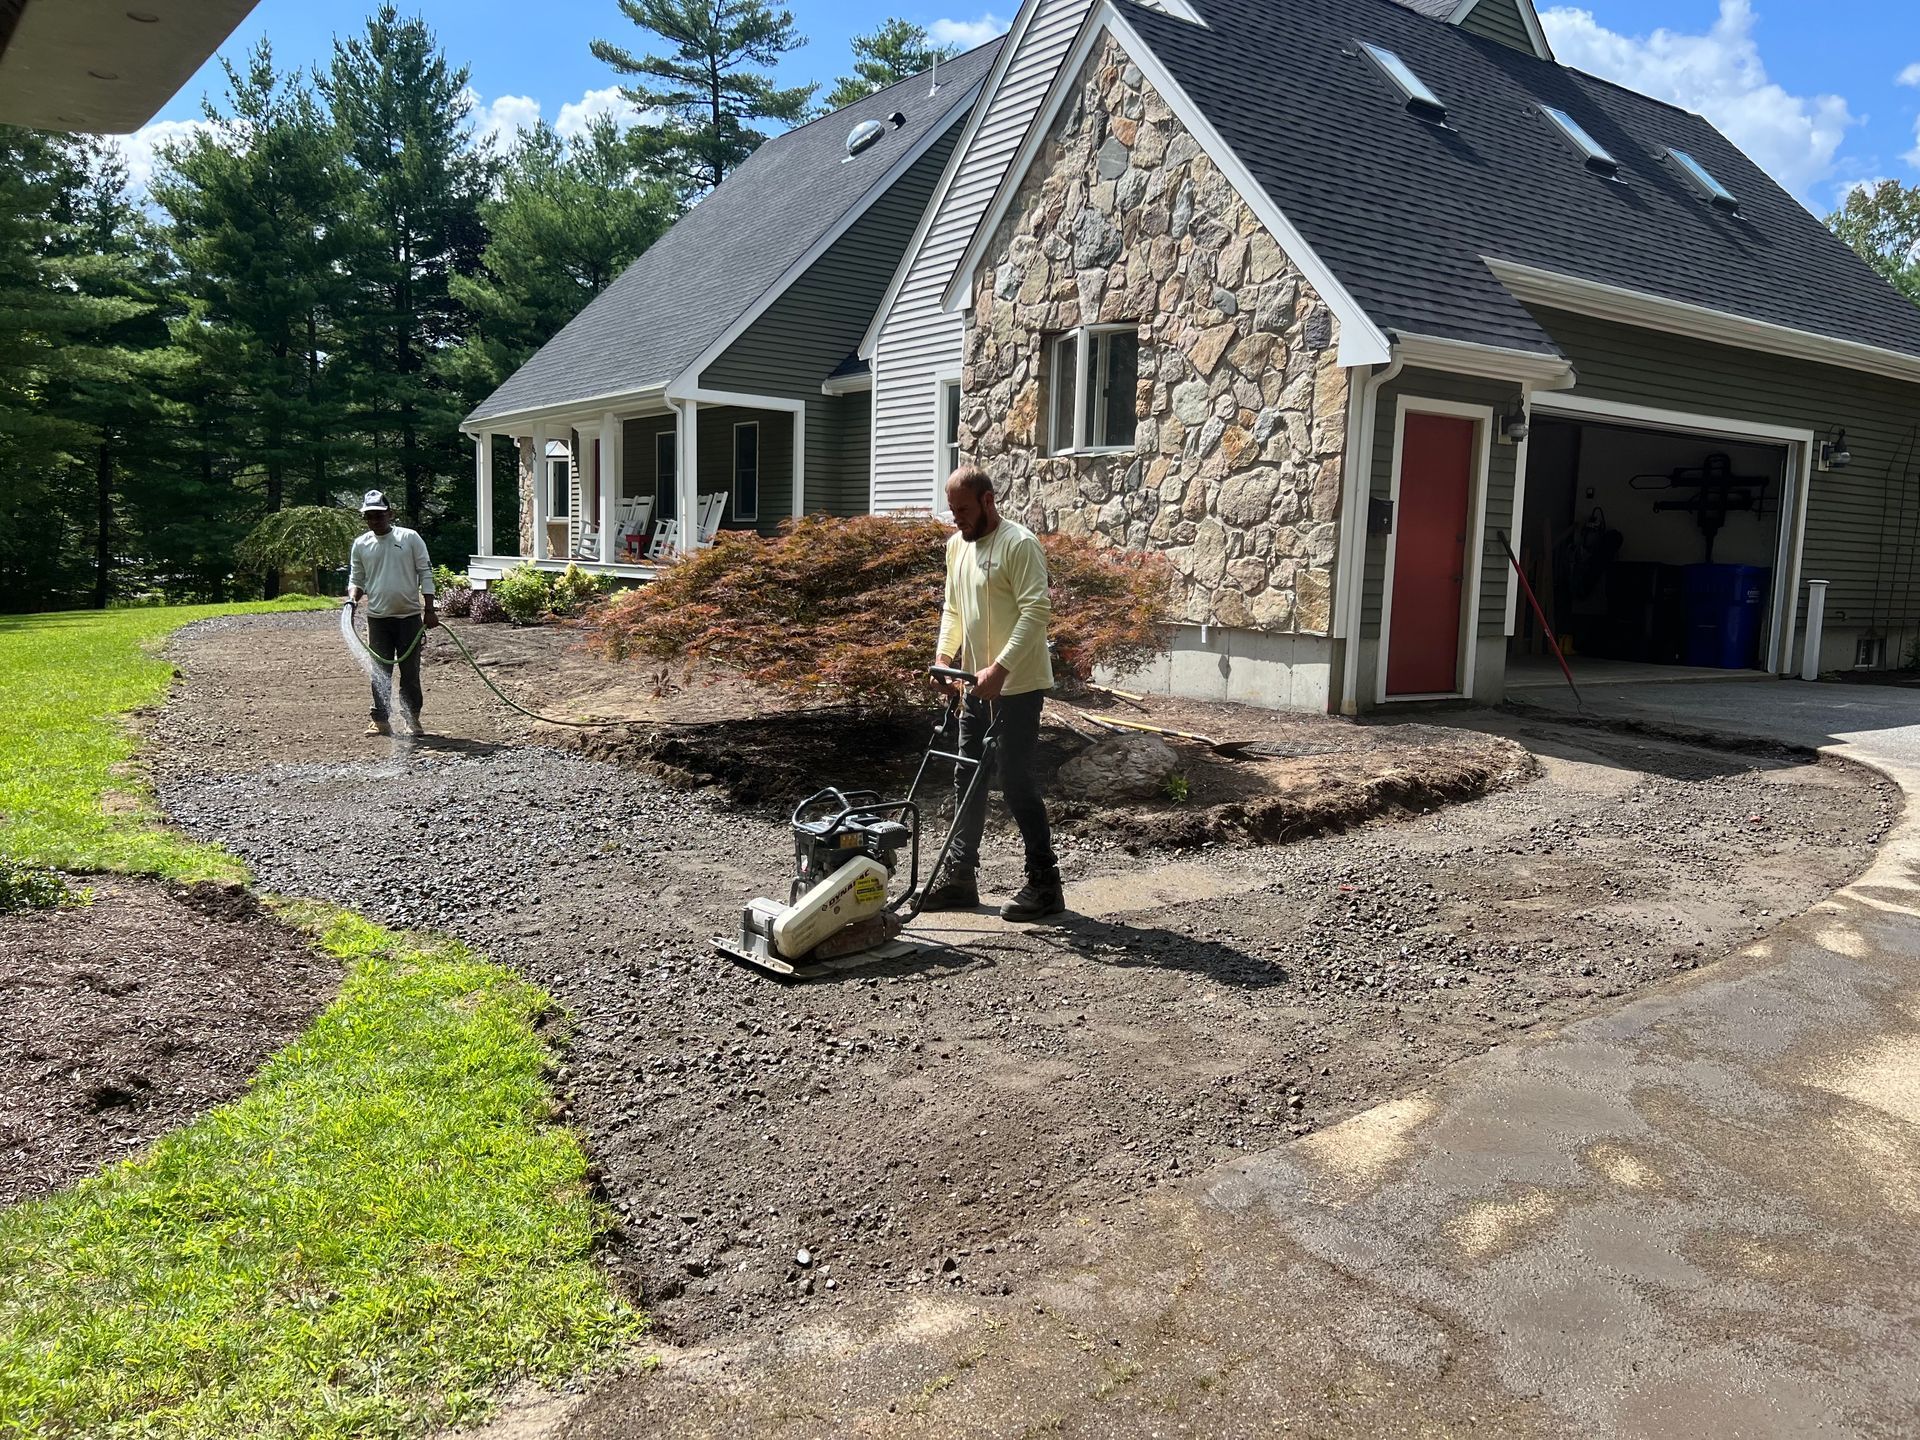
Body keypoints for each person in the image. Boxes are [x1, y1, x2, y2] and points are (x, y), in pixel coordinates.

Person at [921, 466, 1064, 922]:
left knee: (1016, 780)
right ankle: (961, 878)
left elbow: (1036, 612)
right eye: (951, 511)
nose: (956, 519)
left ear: (987, 501)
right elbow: (953, 608)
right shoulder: (955, 548)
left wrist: (1001, 668)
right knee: (969, 778)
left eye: (963, 510)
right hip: (973, 686)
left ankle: (1045, 883)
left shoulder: (1018, 544)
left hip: (1017, 686)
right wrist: (944, 657)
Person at [346, 489, 437, 737]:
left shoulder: (409, 538)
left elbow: (425, 573)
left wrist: (429, 609)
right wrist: (352, 600)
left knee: (410, 671)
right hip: (378, 618)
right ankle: (380, 719)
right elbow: (357, 578)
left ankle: (412, 719)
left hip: (409, 617)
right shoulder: (361, 544)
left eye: (379, 515)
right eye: (369, 517)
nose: (374, 521)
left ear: (390, 514)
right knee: (380, 671)